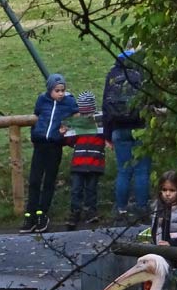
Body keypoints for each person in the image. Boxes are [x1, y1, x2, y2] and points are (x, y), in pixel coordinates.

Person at [21, 73, 78, 234]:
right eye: (57, 90)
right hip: (40, 144)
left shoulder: (69, 102)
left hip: (54, 145)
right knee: (34, 180)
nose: (60, 94)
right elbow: (37, 116)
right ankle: (29, 214)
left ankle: (42, 213)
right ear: (50, 90)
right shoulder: (42, 100)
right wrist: (35, 133)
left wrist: (66, 126)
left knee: (49, 180)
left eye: (62, 90)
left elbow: (79, 118)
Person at [102, 50, 150, 220]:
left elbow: (105, 105)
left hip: (118, 129)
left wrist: (107, 135)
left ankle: (121, 209)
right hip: (141, 127)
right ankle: (142, 209)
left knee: (123, 170)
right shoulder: (143, 72)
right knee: (142, 171)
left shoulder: (113, 74)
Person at [63, 91, 105, 229]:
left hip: (94, 160)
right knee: (76, 189)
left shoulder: (99, 123)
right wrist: (66, 132)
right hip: (80, 162)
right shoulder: (77, 123)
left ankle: (90, 211)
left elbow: (105, 136)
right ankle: (75, 211)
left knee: (91, 189)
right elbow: (70, 139)